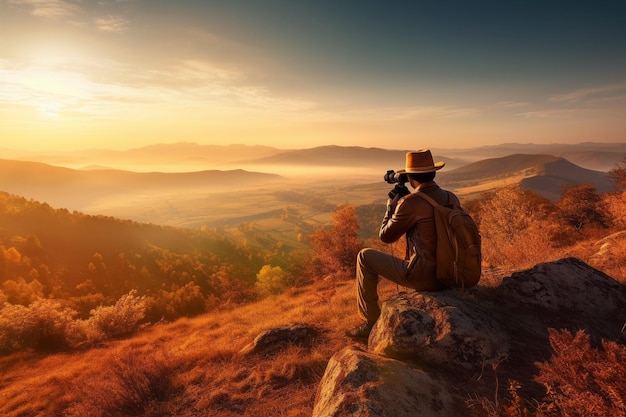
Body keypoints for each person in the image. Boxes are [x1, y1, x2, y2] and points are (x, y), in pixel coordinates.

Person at [346, 149, 461, 339]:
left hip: (424, 277)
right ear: (433, 173)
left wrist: (390, 207)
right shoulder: (451, 197)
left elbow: (386, 236)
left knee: (364, 256)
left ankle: (370, 322)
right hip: (451, 273)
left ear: (410, 178)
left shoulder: (411, 202)